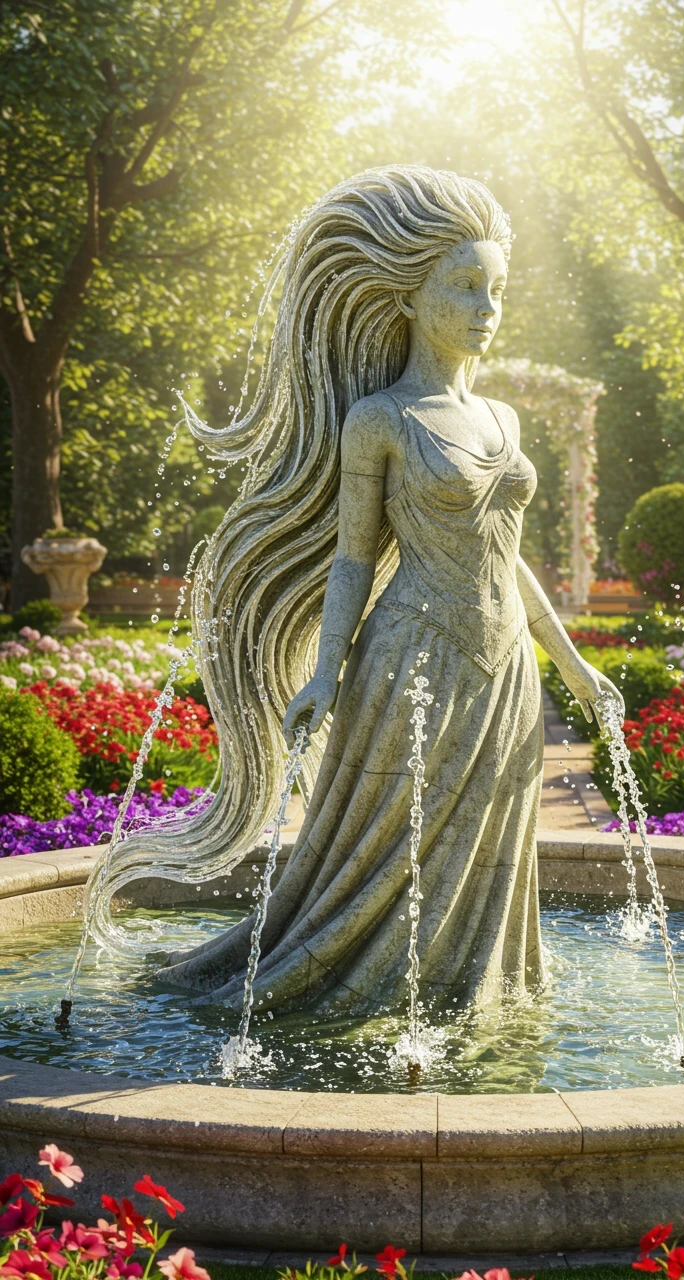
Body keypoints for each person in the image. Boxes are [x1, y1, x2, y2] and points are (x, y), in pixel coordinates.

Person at [92, 165, 623, 1016]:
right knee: (383, 855)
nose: (488, 307)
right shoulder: (380, 417)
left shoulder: (504, 421)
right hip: (412, 660)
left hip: (506, 675)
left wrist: (572, 665)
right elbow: (350, 558)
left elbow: (509, 555)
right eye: (466, 286)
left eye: (499, 289)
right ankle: (353, 992)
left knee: (490, 850)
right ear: (410, 297)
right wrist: (325, 673)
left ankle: (471, 993)